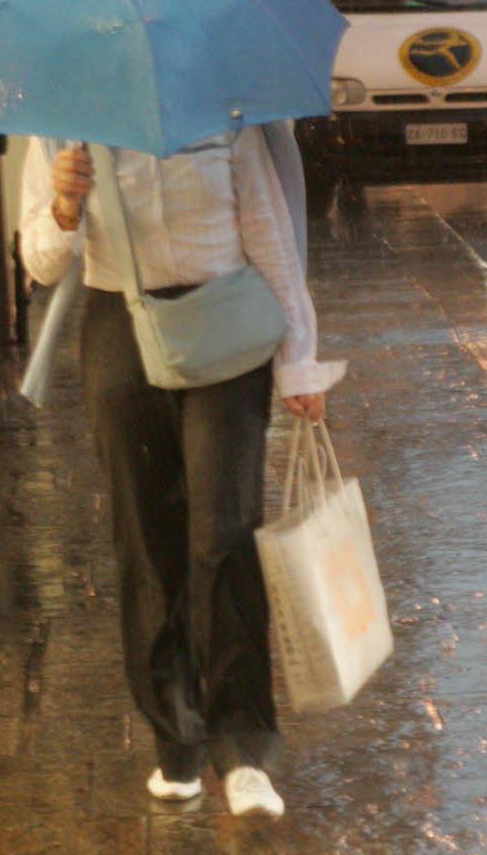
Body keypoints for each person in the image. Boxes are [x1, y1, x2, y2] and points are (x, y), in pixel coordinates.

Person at [19, 129, 345, 819]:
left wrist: (299, 360)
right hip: (122, 330)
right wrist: (66, 205)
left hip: (226, 325)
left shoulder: (227, 117)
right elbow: (42, 264)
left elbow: (270, 237)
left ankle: (245, 750)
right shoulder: (62, 128)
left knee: (223, 532)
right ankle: (177, 740)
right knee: (144, 535)